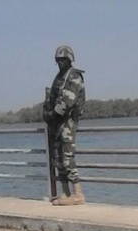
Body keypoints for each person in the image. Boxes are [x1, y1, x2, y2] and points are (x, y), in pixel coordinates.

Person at [44, 45, 86, 206]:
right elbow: (53, 97)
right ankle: (66, 193)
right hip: (57, 124)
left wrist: (53, 113)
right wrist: (47, 113)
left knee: (68, 158)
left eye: (63, 60)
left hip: (67, 122)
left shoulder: (74, 76)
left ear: (69, 60)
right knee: (58, 159)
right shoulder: (59, 77)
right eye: (58, 61)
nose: (60, 63)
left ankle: (78, 193)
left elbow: (68, 100)